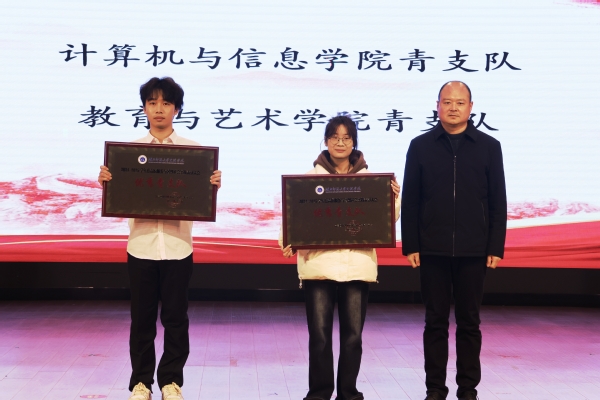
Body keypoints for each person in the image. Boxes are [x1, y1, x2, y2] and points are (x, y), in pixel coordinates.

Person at [98, 77, 222, 400]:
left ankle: (171, 381)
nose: (159, 109)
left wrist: (210, 186)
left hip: (178, 248)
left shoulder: (194, 154)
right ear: (144, 108)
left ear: (176, 109)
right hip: (141, 247)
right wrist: (108, 183)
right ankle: (141, 383)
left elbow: (198, 200)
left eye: (166, 103)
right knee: (141, 320)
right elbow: (120, 197)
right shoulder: (128, 154)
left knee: (176, 319)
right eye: (152, 102)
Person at [281, 115, 401, 400]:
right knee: (320, 337)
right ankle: (319, 394)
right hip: (318, 267)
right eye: (335, 137)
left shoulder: (371, 181)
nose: (340, 143)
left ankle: (348, 393)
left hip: (357, 267)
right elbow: (293, 217)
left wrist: (394, 198)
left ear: (354, 143)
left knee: (353, 337)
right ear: (325, 141)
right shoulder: (308, 180)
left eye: (346, 138)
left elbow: (385, 221)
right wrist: (288, 240)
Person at [400, 81, 507, 400]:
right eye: (447, 102)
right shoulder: (420, 146)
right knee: (434, 321)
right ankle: (435, 388)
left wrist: (495, 245)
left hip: (475, 249)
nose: (453, 108)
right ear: (437, 106)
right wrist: (411, 243)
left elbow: (498, 200)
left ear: (471, 107)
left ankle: (468, 388)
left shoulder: (489, 146)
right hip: (431, 248)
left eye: (460, 103)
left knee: (469, 322)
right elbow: (411, 199)